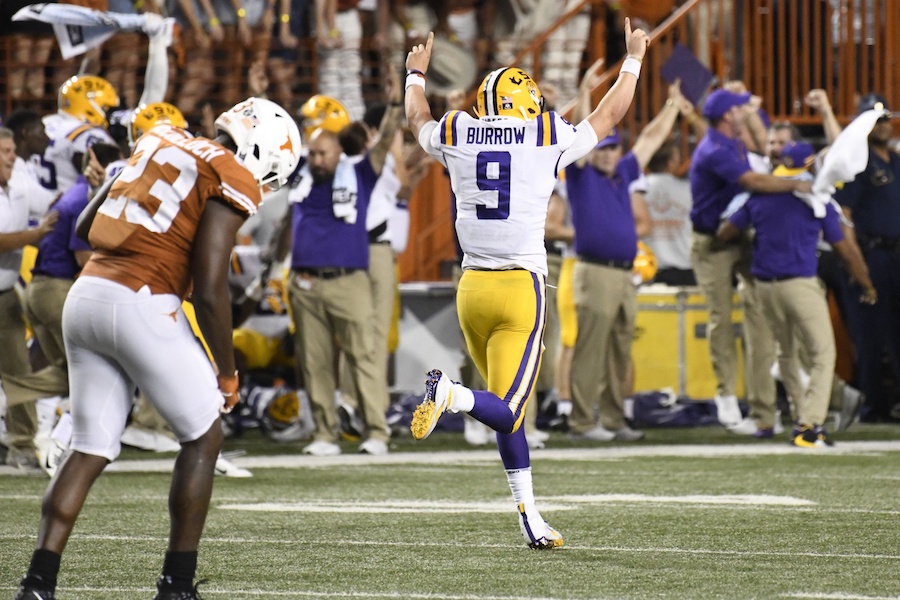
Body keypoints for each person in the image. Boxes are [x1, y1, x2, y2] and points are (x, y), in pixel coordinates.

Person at [13, 97, 301, 600]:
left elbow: (84, 228)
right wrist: (227, 375)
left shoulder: (157, 138)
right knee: (204, 436)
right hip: (142, 300)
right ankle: (177, 585)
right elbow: (211, 289)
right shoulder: (230, 170)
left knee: (89, 446)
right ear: (262, 153)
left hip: (87, 294)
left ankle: (37, 583)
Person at [404, 21, 649, 548]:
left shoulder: (458, 130)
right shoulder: (544, 133)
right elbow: (608, 115)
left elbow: (417, 118)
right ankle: (450, 393)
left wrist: (415, 76)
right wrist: (632, 60)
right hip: (520, 287)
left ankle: (530, 515)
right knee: (509, 406)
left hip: (470, 287)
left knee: (506, 414)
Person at [273, 70, 403, 457]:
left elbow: (380, 151)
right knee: (314, 363)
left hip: (349, 280)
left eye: (322, 153)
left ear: (337, 153)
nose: (315, 159)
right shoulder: (301, 179)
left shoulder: (359, 173)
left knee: (363, 356)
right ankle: (324, 434)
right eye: (311, 153)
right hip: (305, 282)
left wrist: (394, 106)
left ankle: (377, 431)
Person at [717, 140, 876, 445]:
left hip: (764, 287)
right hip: (799, 284)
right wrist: (866, 284)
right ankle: (810, 424)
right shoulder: (816, 198)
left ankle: (801, 415)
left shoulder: (759, 196)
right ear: (809, 165)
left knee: (786, 352)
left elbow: (726, 232)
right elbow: (845, 249)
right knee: (822, 353)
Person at [565, 78, 687, 443]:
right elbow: (583, 137)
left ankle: (615, 420)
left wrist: (672, 107)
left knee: (620, 349)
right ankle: (583, 422)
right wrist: (585, 94)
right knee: (590, 348)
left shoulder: (625, 173)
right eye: (601, 147)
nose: (606, 153)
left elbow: (650, 138)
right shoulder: (579, 173)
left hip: (625, 274)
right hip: (595, 271)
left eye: (612, 148)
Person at [688, 88, 812, 434]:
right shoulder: (716, 149)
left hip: (738, 234)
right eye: (741, 108)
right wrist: (796, 185)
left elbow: (762, 145)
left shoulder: (732, 140)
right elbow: (754, 180)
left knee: (761, 316)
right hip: (712, 241)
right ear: (728, 116)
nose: (747, 110)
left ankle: (764, 410)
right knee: (721, 319)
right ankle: (727, 400)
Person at [833, 93, 900, 423]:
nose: (884, 125)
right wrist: (858, 269)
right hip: (871, 255)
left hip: (896, 255)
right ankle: (875, 407)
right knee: (871, 335)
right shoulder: (855, 163)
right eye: (876, 119)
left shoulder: (896, 161)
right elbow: (843, 219)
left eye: (886, 118)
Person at [0, 127, 59, 472]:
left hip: (5, 295)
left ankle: (21, 444)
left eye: (11, 150)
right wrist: (35, 235)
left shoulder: (19, 187)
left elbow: (56, 204)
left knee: (18, 371)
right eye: (5, 151)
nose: (12, 156)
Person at [642, 138, 696, 286]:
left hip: (646, 273)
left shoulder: (635, 191)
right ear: (671, 162)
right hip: (684, 271)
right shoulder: (688, 190)